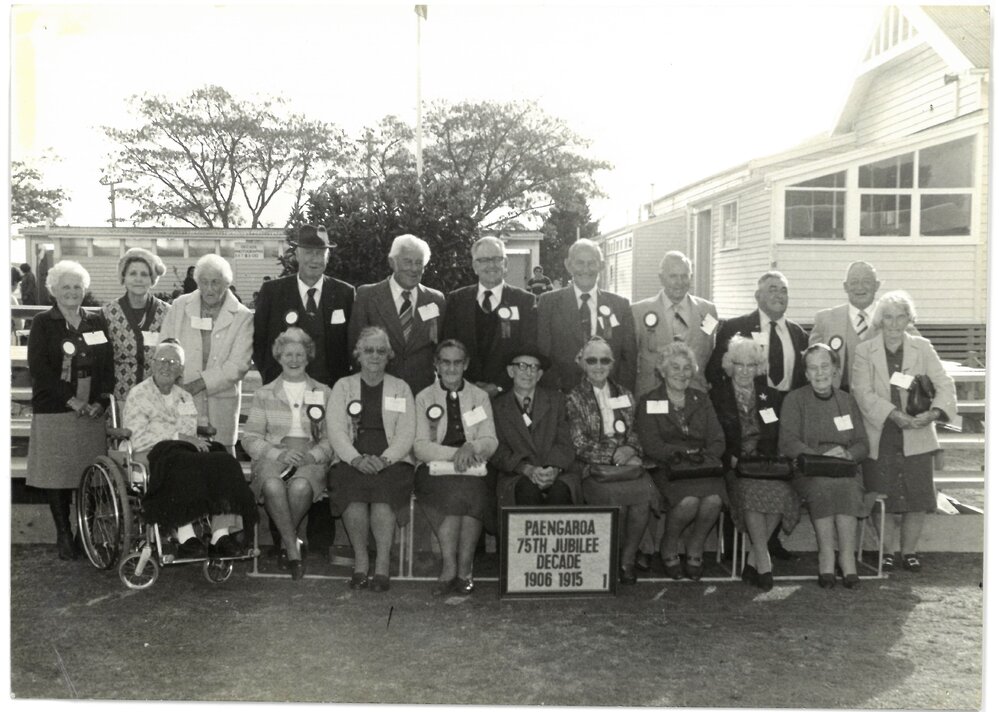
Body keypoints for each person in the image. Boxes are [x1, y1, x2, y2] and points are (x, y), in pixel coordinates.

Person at [706, 269, 808, 561]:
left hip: (783, 416)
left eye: (784, 290)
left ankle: (768, 542)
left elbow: (800, 380)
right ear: (758, 296)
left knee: (778, 472)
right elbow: (715, 371)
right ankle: (741, 543)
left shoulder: (798, 333)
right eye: (772, 289)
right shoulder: (735, 327)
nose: (779, 295)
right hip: (744, 411)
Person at [852, 291, 956, 573]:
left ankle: (909, 552)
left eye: (901, 317)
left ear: (910, 319)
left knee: (917, 497)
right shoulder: (865, 350)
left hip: (918, 432)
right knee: (880, 495)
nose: (894, 324)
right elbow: (861, 391)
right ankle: (886, 552)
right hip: (881, 432)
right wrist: (894, 414)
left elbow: (945, 384)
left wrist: (933, 413)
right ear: (880, 320)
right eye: (888, 317)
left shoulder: (923, 347)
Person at [124, 340, 257, 558]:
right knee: (183, 462)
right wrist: (178, 436)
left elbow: (189, 432)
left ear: (180, 371)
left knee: (221, 457)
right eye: (163, 360)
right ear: (152, 363)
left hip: (180, 450)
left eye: (174, 363)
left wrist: (184, 438)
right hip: (149, 452)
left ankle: (220, 534)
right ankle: (186, 536)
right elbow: (137, 435)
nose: (167, 366)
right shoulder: (138, 394)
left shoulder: (184, 396)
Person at [26, 260, 113, 560]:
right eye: (66, 287)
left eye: (77, 287)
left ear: (85, 290)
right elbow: (40, 369)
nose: (72, 292)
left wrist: (100, 401)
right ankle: (64, 534)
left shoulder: (96, 322)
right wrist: (70, 400)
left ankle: (83, 533)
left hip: (91, 412)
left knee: (88, 474)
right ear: (54, 291)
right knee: (57, 475)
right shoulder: (42, 323)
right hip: (56, 408)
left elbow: (107, 367)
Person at [327, 326, 416, 592]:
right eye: (368, 350)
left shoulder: (401, 388)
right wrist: (355, 459)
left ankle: (383, 566)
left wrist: (385, 459)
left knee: (382, 494)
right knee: (351, 491)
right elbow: (336, 430)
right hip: (350, 459)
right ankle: (361, 562)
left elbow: (407, 432)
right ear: (358, 354)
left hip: (392, 460)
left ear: (389, 355)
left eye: (380, 351)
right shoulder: (343, 386)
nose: (374, 356)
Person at [241, 327, 334, 580]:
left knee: (301, 487)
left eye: (299, 355)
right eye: (288, 355)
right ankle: (293, 547)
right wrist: (276, 454)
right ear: (279, 357)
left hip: (309, 457)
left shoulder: (323, 392)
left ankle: (285, 543)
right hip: (274, 457)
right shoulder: (264, 393)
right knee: (272, 486)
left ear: (308, 357)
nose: (294, 360)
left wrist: (313, 456)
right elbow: (249, 438)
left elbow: (331, 438)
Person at [565, 336, 658, 585]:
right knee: (616, 500)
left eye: (604, 360)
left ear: (612, 363)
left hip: (627, 465)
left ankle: (627, 559)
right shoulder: (573, 398)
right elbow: (578, 444)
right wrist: (614, 457)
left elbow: (636, 432)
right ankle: (606, 559)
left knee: (642, 497)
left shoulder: (625, 394)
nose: (598, 365)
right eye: (591, 360)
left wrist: (630, 449)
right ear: (581, 363)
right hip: (594, 468)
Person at [710, 336, 800, 591]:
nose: (745, 371)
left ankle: (753, 560)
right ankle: (764, 561)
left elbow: (777, 435)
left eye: (752, 365)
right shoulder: (716, 396)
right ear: (730, 365)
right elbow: (714, 437)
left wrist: (765, 456)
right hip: (734, 466)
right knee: (749, 492)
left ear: (759, 367)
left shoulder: (771, 396)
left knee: (782, 493)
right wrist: (731, 457)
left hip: (765, 466)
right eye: (740, 365)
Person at [779, 344, 869, 589]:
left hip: (844, 467)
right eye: (813, 368)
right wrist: (820, 457)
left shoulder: (847, 401)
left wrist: (849, 454)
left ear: (835, 370)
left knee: (848, 487)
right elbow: (788, 442)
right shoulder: (794, 400)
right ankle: (826, 556)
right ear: (806, 374)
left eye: (825, 366)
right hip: (809, 469)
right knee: (823, 486)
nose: (819, 373)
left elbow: (863, 443)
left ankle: (847, 557)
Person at [414, 340, 498, 597]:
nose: (451, 368)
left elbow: (490, 440)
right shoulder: (423, 397)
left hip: (474, 466)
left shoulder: (479, 396)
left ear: (466, 365)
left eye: (457, 362)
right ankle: (449, 568)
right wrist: (456, 454)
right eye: (445, 362)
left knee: (474, 492)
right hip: (434, 467)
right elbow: (420, 446)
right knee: (451, 495)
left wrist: (471, 448)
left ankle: (464, 571)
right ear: (436, 365)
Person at [635, 343, 725, 581]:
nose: (681, 373)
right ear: (662, 371)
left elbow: (717, 440)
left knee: (713, 501)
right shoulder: (648, 401)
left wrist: (699, 457)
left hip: (702, 467)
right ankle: (669, 544)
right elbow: (651, 445)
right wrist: (685, 454)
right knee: (688, 502)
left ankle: (695, 547)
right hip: (668, 468)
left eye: (687, 368)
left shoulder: (702, 399)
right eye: (674, 367)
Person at [159, 254, 254, 454]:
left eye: (216, 282)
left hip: (221, 402)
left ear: (227, 284)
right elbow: (165, 346)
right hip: (181, 397)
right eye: (204, 282)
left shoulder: (242, 316)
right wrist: (174, 383)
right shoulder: (179, 306)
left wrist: (197, 385)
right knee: (184, 457)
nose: (209, 289)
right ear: (197, 282)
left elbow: (238, 365)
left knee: (221, 462)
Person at [254, 224, 355, 387]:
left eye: (320, 253)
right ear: (297, 255)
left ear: (327, 257)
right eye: (308, 252)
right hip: (283, 389)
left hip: (332, 391)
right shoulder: (272, 292)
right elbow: (258, 341)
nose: (314, 259)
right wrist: (271, 376)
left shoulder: (345, 294)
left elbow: (353, 343)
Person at [348, 234, 446, 395]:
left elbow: (440, 348)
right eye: (407, 261)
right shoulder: (368, 296)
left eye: (419, 263)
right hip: (377, 389)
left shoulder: (436, 300)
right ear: (392, 262)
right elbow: (355, 347)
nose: (414, 269)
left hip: (422, 393)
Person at [441, 236, 537, 397]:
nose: (491, 265)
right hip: (464, 393)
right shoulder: (456, 300)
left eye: (497, 259)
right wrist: (466, 385)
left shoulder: (524, 301)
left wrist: (499, 386)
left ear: (505, 264)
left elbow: (528, 348)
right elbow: (448, 346)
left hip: (509, 394)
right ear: (474, 266)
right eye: (484, 260)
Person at [537, 239, 637, 393]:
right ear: (568, 265)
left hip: (608, 397)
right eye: (580, 263)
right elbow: (542, 354)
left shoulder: (620, 306)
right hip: (562, 396)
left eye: (592, 263)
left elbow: (628, 359)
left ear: (602, 266)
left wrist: (621, 396)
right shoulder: (548, 303)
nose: (586, 269)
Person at [491, 345, 580, 508]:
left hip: (557, 472)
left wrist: (553, 468)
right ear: (511, 371)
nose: (528, 372)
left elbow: (566, 442)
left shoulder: (557, 401)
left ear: (539, 375)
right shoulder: (497, 407)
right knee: (527, 493)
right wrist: (526, 469)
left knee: (559, 493)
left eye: (533, 368)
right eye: (522, 366)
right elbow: (498, 450)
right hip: (516, 474)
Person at [631, 251, 717, 397]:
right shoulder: (638, 312)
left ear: (691, 277)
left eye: (684, 276)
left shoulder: (708, 311)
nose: (679, 282)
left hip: (695, 394)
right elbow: (631, 358)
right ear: (661, 278)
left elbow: (709, 350)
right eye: (673, 276)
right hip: (652, 395)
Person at [100, 247, 170, 405]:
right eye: (132, 273)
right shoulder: (108, 313)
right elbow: (102, 362)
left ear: (152, 279)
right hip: (121, 396)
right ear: (123, 277)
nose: (138, 279)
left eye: (144, 274)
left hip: (158, 397)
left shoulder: (167, 312)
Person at [809, 261, 882, 391]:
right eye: (854, 282)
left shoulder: (893, 318)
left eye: (866, 281)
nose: (860, 287)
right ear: (845, 286)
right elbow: (812, 365)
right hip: (839, 402)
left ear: (876, 285)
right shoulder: (825, 320)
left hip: (881, 403)